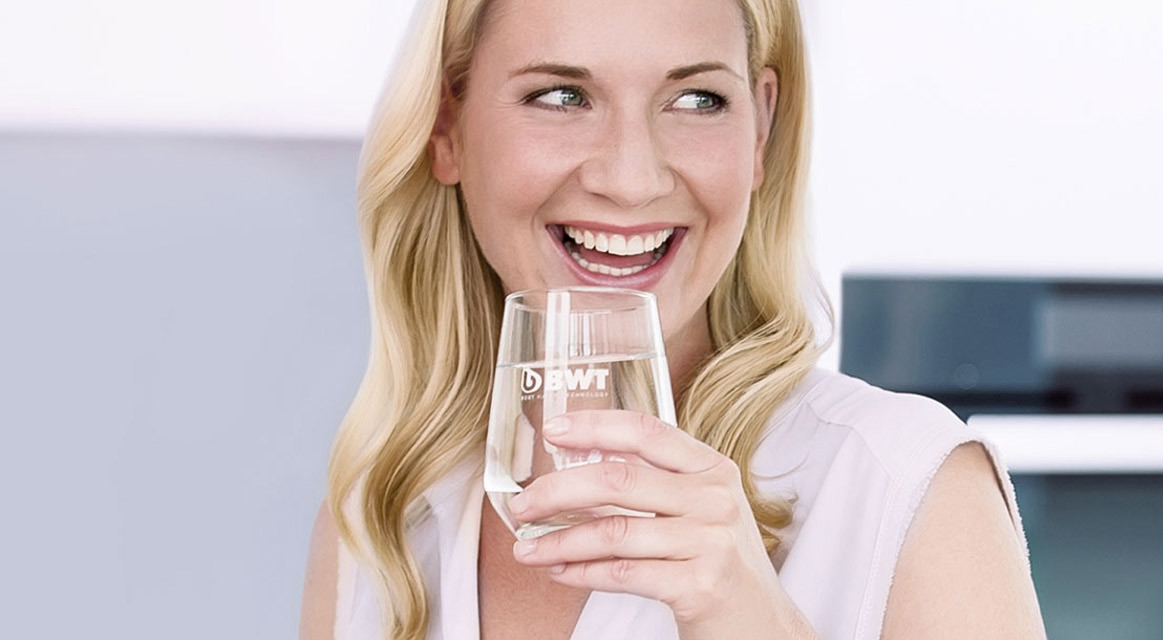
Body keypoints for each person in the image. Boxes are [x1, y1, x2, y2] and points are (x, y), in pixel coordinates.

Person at [300, 0, 1047, 638]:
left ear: (760, 131)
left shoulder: (911, 491)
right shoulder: (380, 517)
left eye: (696, 101)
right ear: (446, 127)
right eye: (562, 96)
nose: (631, 179)